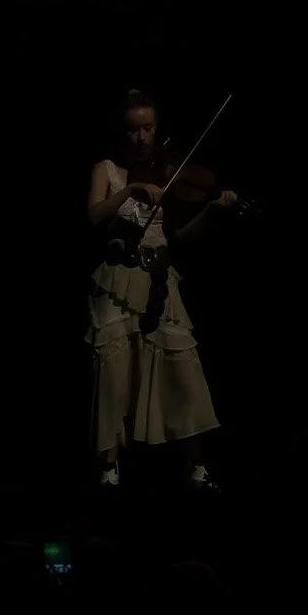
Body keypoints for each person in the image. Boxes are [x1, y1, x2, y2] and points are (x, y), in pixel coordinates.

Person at [84, 89, 240, 490]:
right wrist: (129, 190)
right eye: (133, 130)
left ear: (157, 128)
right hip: (117, 281)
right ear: (121, 131)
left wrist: (210, 210)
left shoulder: (168, 174)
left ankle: (196, 467)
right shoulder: (107, 168)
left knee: (184, 370)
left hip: (158, 279)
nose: (142, 138)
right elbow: (94, 216)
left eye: (148, 128)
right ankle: (108, 469)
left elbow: (180, 237)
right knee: (113, 373)